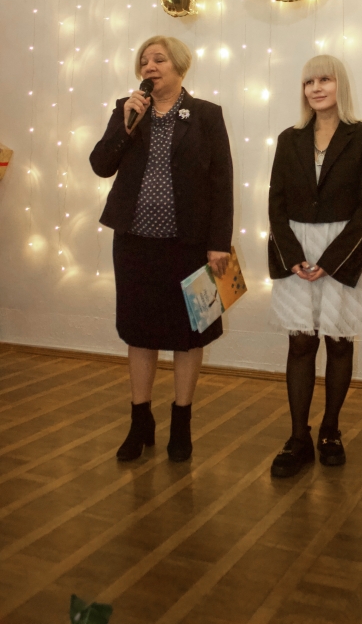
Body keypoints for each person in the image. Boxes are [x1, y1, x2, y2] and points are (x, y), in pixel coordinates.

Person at [90, 35, 233, 463]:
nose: (149, 66)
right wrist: (125, 124)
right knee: (140, 332)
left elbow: (221, 182)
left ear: (180, 67)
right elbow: (101, 165)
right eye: (144, 60)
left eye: (159, 59)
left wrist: (218, 244)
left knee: (189, 336)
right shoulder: (127, 108)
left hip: (189, 246)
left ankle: (182, 422)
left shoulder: (206, 114)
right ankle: (140, 421)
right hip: (134, 244)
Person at [268, 55, 362, 478]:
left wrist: (331, 261)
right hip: (297, 249)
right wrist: (293, 255)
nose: (316, 88)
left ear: (340, 85)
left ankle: (330, 430)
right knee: (300, 344)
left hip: (343, 249)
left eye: (324, 79)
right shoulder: (289, 139)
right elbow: (276, 203)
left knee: (338, 342)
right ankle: (298, 437)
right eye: (308, 82)